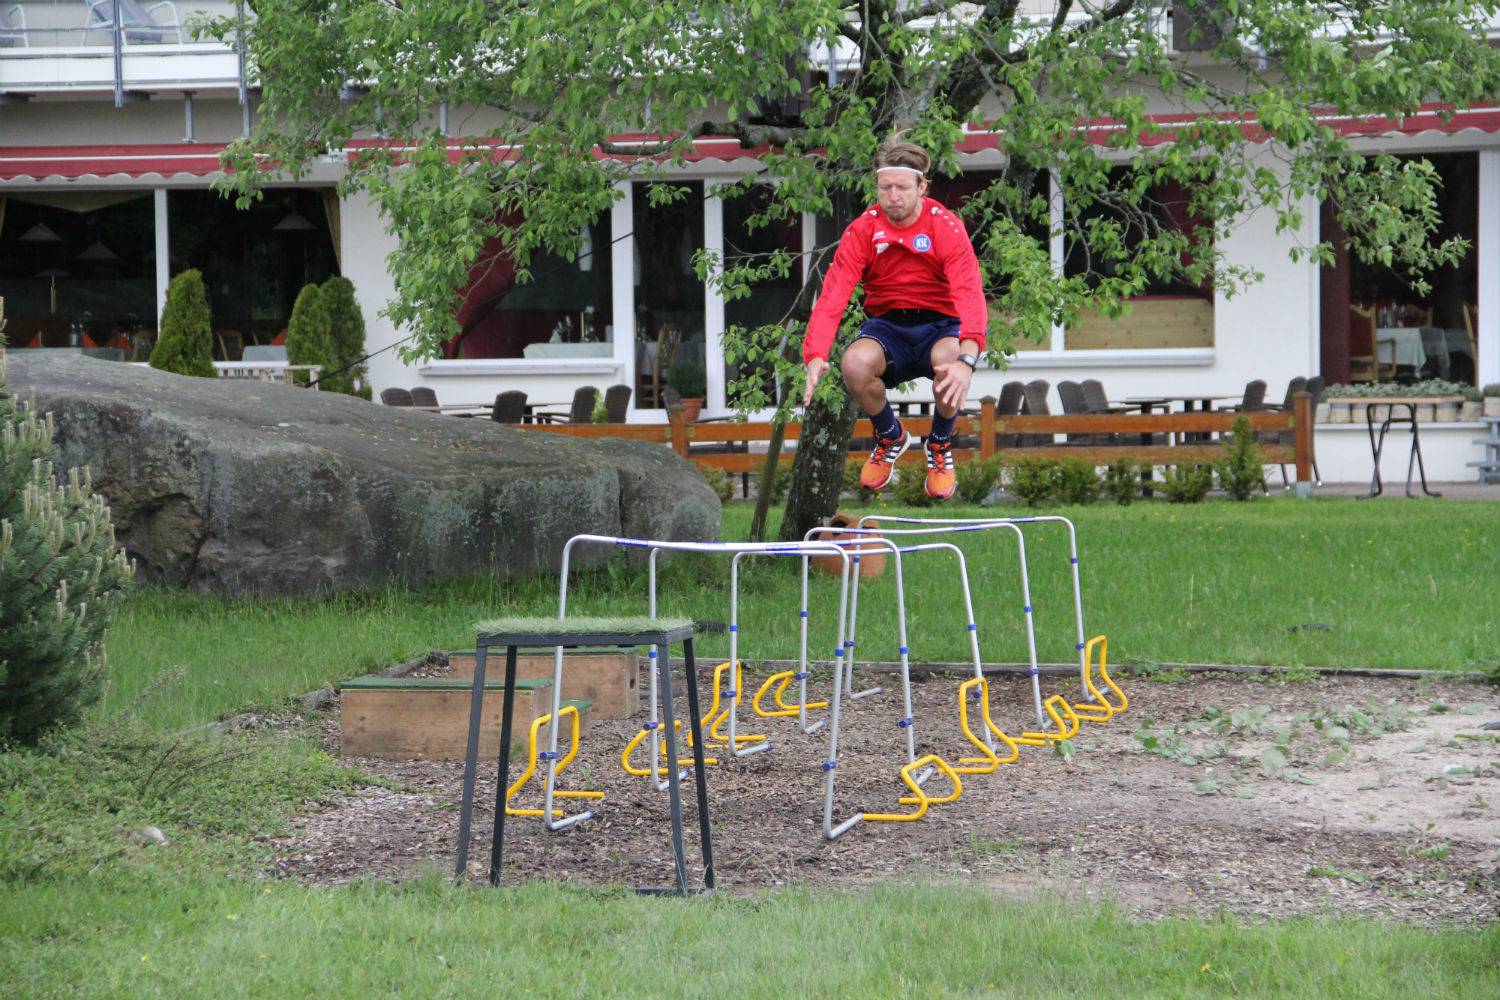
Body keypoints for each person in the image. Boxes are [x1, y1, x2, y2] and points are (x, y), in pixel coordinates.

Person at [801, 138, 987, 500]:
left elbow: (969, 293)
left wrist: (968, 359)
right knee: (853, 364)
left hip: (940, 326)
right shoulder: (863, 230)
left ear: (921, 187)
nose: (893, 196)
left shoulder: (945, 227)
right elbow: (834, 294)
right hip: (888, 326)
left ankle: (939, 444)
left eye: (902, 187)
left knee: (950, 364)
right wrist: (815, 353)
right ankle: (889, 435)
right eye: (885, 187)